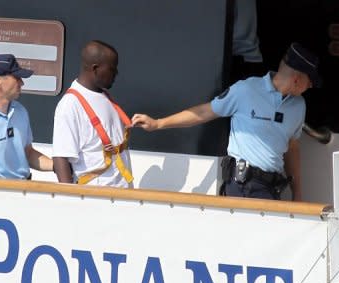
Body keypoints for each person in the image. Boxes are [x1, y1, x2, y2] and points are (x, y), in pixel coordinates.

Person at [132, 43, 321, 201]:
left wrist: (297, 192)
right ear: (297, 80)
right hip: (242, 187)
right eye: (310, 81)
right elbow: (203, 112)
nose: (311, 86)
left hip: (272, 190)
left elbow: (292, 147)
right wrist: (158, 123)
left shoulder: (299, 106)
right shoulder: (245, 90)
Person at [52, 40, 133, 187]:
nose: (116, 74)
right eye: (112, 69)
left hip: (122, 195)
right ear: (95, 68)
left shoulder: (105, 97)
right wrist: (69, 199)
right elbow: (60, 158)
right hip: (96, 199)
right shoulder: (70, 105)